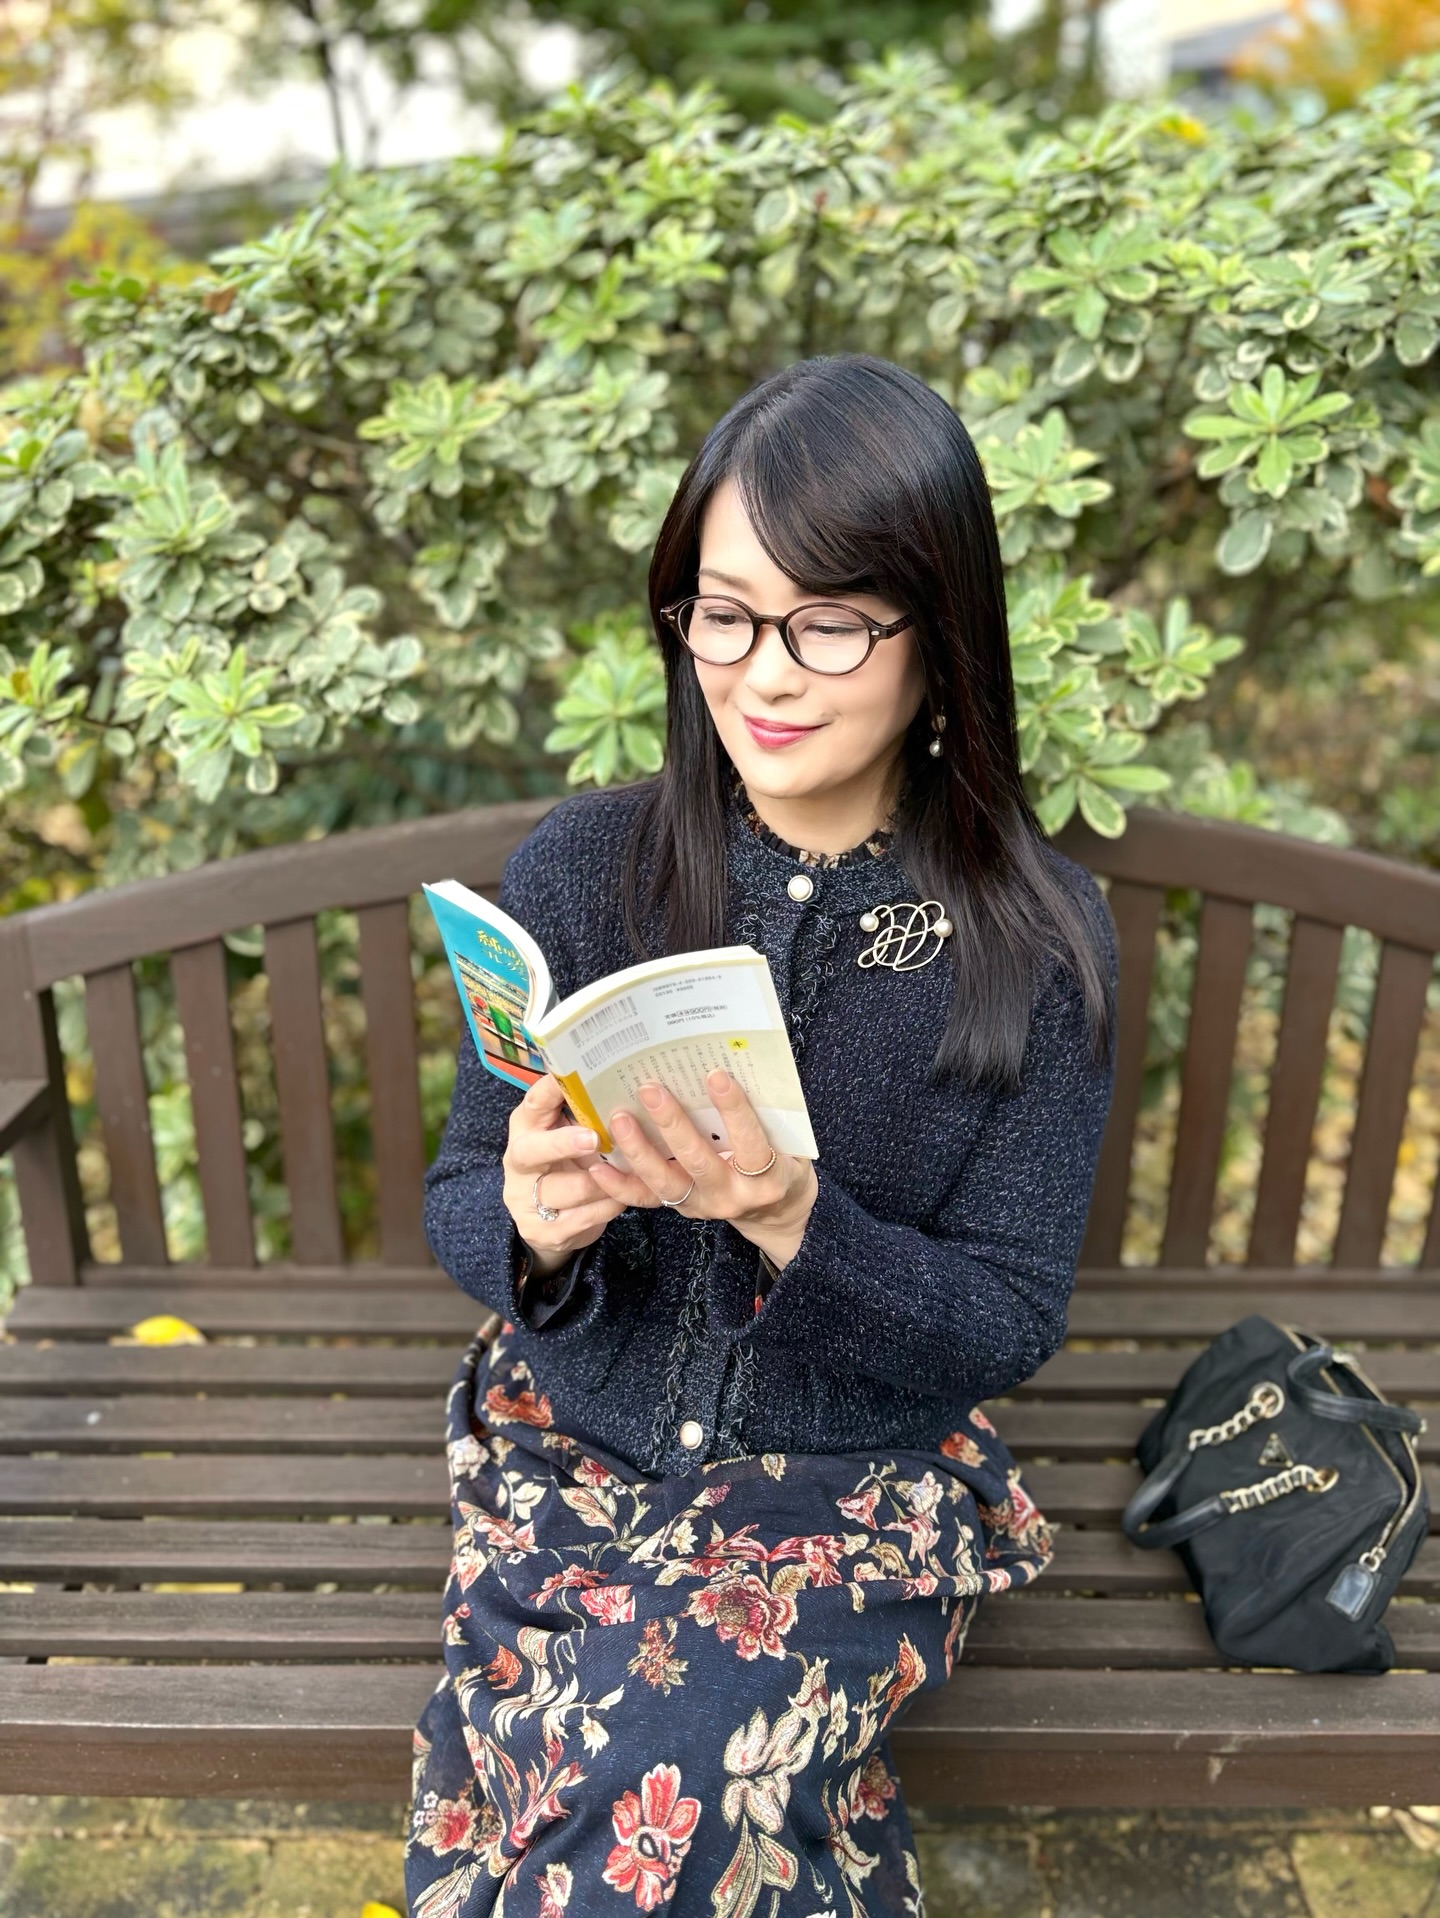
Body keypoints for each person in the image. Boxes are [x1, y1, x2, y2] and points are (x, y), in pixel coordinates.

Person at [406, 353, 1118, 1918]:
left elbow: (1008, 1314)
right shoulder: (587, 867)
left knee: (661, 1773)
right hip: (571, 1457)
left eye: (829, 623)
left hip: (848, 1488)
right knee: (621, 1778)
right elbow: (461, 1188)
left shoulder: (1036, 939)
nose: (765, 675)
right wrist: (529, 1223)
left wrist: (796, 1218)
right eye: (723, 616)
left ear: (940, 635)